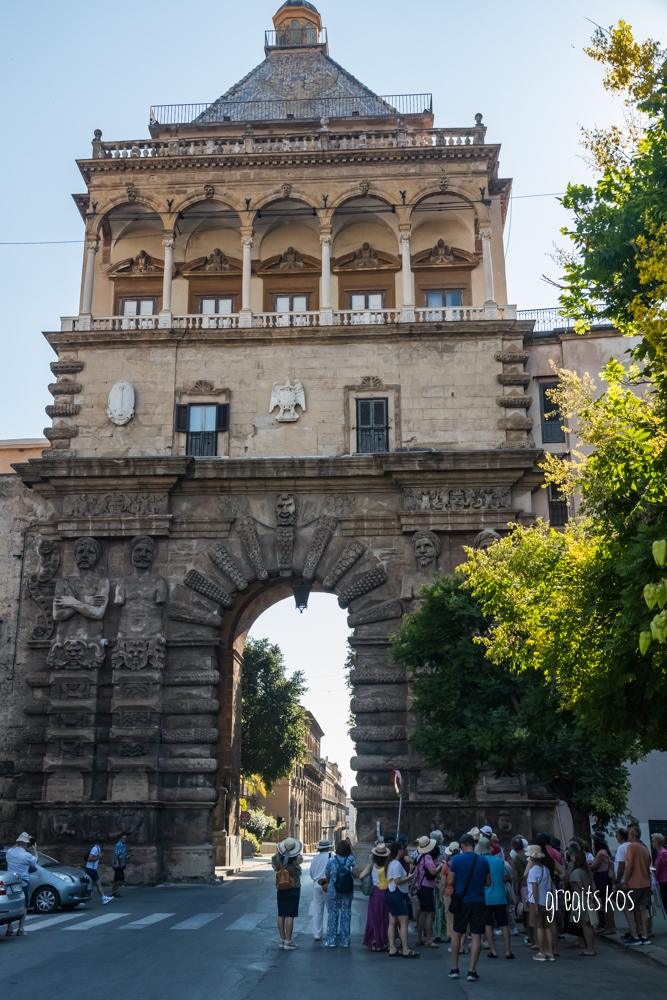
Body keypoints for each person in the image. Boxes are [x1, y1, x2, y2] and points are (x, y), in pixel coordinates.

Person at [446, 832, 491, 981]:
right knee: (476, 935)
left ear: (462, 845)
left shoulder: (456, 859)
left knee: (457, 933)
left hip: (462, 901)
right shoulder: (483, 860)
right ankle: (472, 970)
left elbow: (450, 881)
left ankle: (454, 968)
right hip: (479, 900)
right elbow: (488, 882)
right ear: (474, 844)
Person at [476, 837, 514, 959]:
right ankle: (508, 951)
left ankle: (493, 951)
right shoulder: (498, 861)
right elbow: (504, 878)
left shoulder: (479, 862)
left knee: (488, 925)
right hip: (500, 896)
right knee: (504, 924)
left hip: (486, 897)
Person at [386, 841, 420, 958]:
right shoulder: (396, 864)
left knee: (392, 923)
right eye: (402, 848)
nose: (404, 850)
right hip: (397, 894)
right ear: (399, 850)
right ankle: (405, 949)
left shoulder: (390, 863)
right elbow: (398, 881)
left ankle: (392, 948)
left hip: (391, 893)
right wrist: (410, 877)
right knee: (404, 922)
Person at [271, 837, 303, 950]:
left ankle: (282, 940)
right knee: (290, 915)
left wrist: (279, 852)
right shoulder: (296, 860)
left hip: (281, 888)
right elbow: (299, 868)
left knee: (281, 914)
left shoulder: (277, 860)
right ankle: (288, 941)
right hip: (293, 888)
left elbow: (274, 862)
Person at [525, 845, 556, 961]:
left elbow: (535, 889)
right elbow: (550, 887)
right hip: (547, 901)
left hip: (537, 902)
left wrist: (536, 906)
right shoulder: (546, 869)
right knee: (547, 927)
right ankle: (550, 952)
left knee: (539, 928)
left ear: (531, 858)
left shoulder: (533, 871)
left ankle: (542, 952)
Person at [623, 825, 652, 945]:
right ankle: (645, 935)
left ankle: (634, 935)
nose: (628, 835)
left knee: (627, 907)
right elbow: (648, 865)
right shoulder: (644, 847)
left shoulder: (631, 846)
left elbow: (629, 865)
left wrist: (626, 881)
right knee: (642, 908)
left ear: (632, 835)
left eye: (629, 833)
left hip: (635, 882)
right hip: (645, 881)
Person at [566, 841, 597, 956]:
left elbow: (580, 887)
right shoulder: (587, 871)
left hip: (580, 899)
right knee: (589, 925)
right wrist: (593, 897)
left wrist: (587, 895)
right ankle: (590, 947)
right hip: (588, 899)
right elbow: (593, 887)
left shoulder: (576, 872)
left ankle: (589, 949)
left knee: (585, 926)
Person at [359, 843, 391, 951]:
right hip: (387, 892)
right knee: (386, 919)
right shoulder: (388, 866)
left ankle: (377, 942)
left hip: (375, 894)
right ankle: (388, 942)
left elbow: (361, 876)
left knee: (375, 917)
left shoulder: (371, 866)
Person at [325, 839, 356, 947]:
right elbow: (355, 862)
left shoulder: (332, 860)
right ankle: (345, 940)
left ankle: (331, 940)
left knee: (332, 914)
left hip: (334, 889)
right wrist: (351, 850)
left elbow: (327, 874)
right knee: (346, 914)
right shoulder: (350, 859)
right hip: (347, 889)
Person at [413, 836, 441, 948]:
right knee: (430, 913)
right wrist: (440, 866)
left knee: (423, 913)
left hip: (420, 887)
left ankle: (420, 938)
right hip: (427, 887)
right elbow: (433, 872)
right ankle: (428, 939)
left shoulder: (418, 856)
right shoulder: (427, 857)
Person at [5, 833, 35, 936]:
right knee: (23, 906)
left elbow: (14, 847)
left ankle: (9, 928)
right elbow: (35, 861)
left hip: (10, 882)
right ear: (26, 844)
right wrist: (35, 850)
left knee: (10, 905)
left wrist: (20, 842)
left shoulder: (9, 852)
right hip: (23, 883)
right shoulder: (26, 855)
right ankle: (20, 929)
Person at [309, 838, 334, 941]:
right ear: (328, 848)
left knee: (318, 910)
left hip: (317, 884)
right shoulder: (331, 856)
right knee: (331, 909)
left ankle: (317, 934)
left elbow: (311, 873)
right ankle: (333, 931)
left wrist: (316, 879)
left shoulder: (315, 858)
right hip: (328, 884)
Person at [591, 832, 615, 934]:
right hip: (604, 877)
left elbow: (594, 866)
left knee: (606, 903)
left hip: (601, 877)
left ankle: (610, 927)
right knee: (606, 903)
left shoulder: (601, 852)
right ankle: (609, 926)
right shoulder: (605, 851)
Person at [86, 838, 113, 905]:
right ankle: (81, 900)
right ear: (103, 843)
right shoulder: (95, 849)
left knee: (98, 883)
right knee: (86, 884)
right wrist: (99, 857)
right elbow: (90, 859)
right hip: (90, 869)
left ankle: (103, 898)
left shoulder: (98, 849)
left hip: (93, 869)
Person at [651, 832, 667, 912]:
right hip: (662, 881)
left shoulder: (663, 853)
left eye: (652, 841)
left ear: (657, 842)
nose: (651, 843)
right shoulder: (659, 853)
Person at [111, 833, 128, 898]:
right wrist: (115, 863)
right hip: (118, 864)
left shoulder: (124, 845)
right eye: (123, 838)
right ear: (120, 838)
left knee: (116, 878)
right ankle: (115, 890)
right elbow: (116, 854)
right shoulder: (118, 845)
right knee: (120, 878)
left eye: (125, 838)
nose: (124, 840)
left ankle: (114, 891)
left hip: (121, 863)